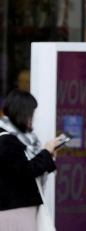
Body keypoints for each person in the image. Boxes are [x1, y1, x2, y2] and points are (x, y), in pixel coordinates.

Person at [0, 89, 63, 231]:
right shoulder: (7, 139)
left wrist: (48, 155)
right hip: (14, 210)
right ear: (21, 112)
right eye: (31, 113)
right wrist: (46, 152)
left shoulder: (15, 138)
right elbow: (25, 172)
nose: (33, 118)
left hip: (17, 208)